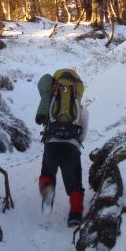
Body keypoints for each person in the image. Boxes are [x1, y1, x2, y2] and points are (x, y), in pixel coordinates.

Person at [36, 70, 88, 227]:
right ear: (78, 89)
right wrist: (76, 142)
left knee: (47, 172)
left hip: (52, 143)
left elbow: (45, 124)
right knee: (74, 182)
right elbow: (83, 130)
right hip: (71, 145)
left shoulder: (50, 103)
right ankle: (75, 215)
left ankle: (48, 190)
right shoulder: (81, 107)